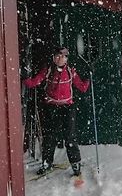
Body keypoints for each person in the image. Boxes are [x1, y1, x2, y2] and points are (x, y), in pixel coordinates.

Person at [23, 46, 90, 176]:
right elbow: (33, 82)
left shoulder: (71, 71)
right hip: (51, 107)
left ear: (67, 59)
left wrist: (88, 77)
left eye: (63, 56)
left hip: (67, 108)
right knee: (49, 137)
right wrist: (25, 78)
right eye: (57, 56)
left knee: (70, 138)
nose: (60, 59)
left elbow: (82, 88)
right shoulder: (47, 71)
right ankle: (47, 164)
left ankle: (76, 166)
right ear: (53, 58)